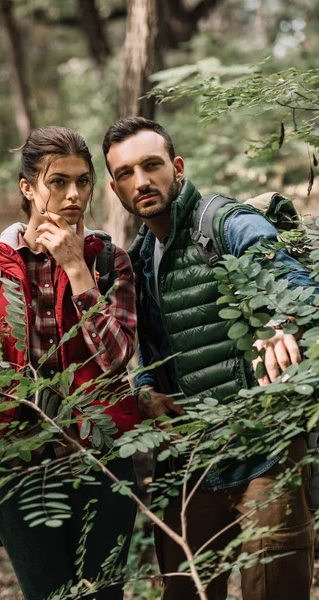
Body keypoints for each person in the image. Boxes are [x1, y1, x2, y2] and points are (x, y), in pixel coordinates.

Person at [102, 116, 317, 600]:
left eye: (152, 165)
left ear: (176, 167)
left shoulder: (227, 223)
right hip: (188, 465)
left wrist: (282, 324)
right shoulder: (136, 261)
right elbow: (142, 353)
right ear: (115, 189)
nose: (141, 181)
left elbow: (299, 292)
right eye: (126, 173)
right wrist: (143, 391)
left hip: (263, 455)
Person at [0, 126, 140, 600]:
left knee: (104, 595)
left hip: (102, 461)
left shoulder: (109, 262)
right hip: (20, 471)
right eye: (58, 181)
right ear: (28, 188)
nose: (74, 194)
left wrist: (78, 271)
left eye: (83, 181)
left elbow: (118, 360)